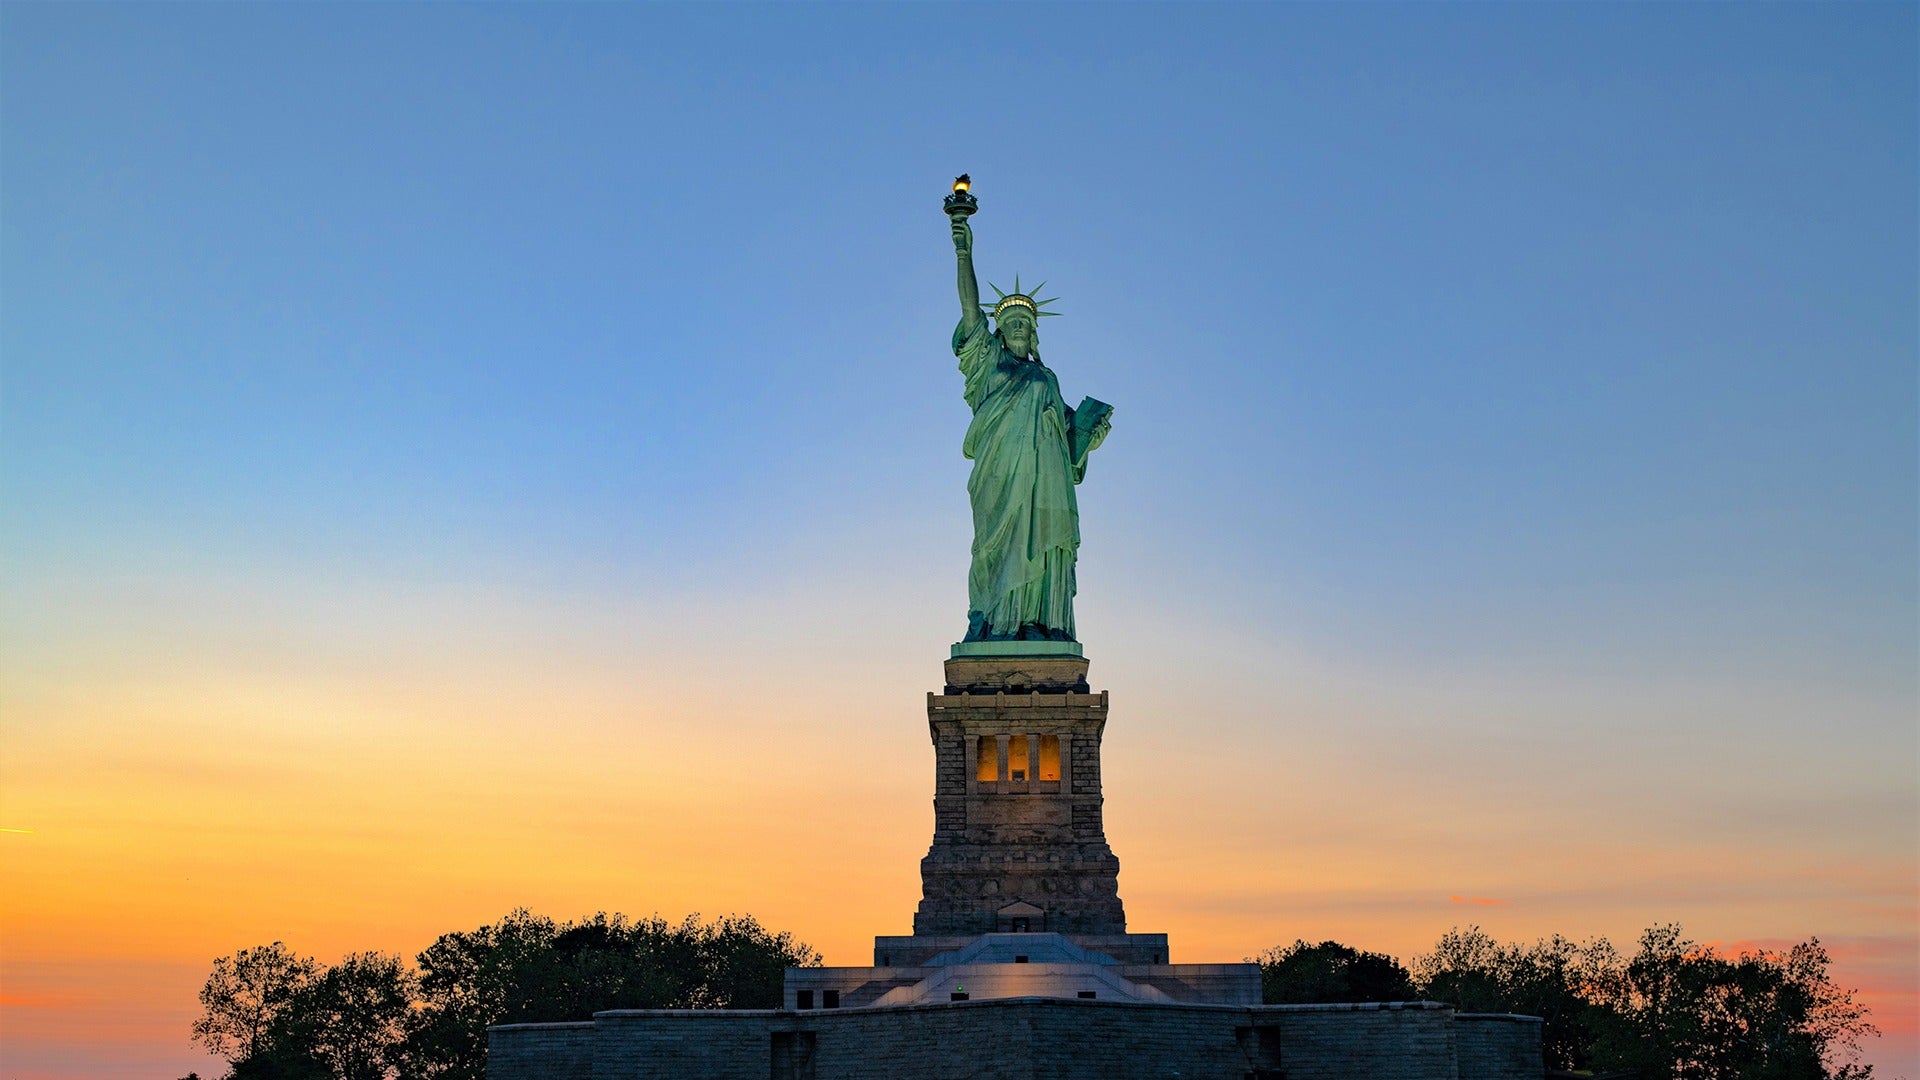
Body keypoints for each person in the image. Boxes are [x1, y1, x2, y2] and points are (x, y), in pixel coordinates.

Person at [950, 213, 1111, 643]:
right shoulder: (987, 367)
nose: (1019, 328)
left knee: (1047, 543)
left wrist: (1087, 438)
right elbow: (970, 313)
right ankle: (1000, 623)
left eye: (1026, 323)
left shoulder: (1048, 379)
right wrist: (964, 252)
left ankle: (1041, 622)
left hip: (1048, 482)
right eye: (1011, 323)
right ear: (999, 333)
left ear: (1035, 334)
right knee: (997, 547)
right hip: (1002, 477)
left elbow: (1066, 439)